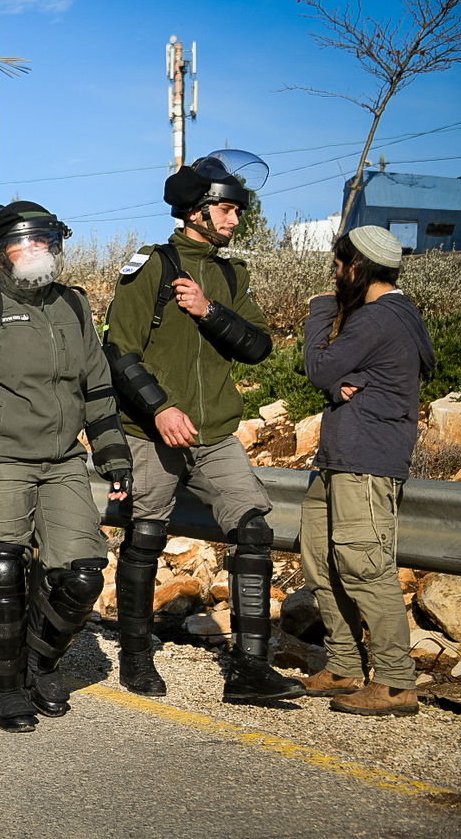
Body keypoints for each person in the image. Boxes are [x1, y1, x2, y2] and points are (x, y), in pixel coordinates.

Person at [104, 150, 305, 705]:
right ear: (196, 209)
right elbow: (118, 352)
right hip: (152, 431)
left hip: (215, 433)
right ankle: (136, 658)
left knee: (255, 531)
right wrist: (160, 409)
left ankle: (249, 671)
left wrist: (209, 311)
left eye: (240, 210)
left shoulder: (229, 274)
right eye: (228, 209)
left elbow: (260, 347)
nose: (236, 219)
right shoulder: (150, 265)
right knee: (145, 536)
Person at [0, 202, 131, 731]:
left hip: (65, 460)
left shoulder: (74, 305)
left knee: (84, 574)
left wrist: (114, 455)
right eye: (23, 245)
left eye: (42, 243)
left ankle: (39, 663)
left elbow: (97, 387)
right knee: (4, 568)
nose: (34, 253)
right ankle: (4, 689)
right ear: (1, 253)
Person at [297, 226, 434, 717]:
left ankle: (397, 684)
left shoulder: (378, 319)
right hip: (339, 459)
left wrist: (320, 309)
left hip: (366, 463)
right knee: (319, 559)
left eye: (339, 266)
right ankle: (344, 665)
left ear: (357, 267)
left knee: (364, 567)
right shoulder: (384, 318)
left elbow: (316, 367)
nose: (335, 276)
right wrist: (341, 386)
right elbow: (343, 377)